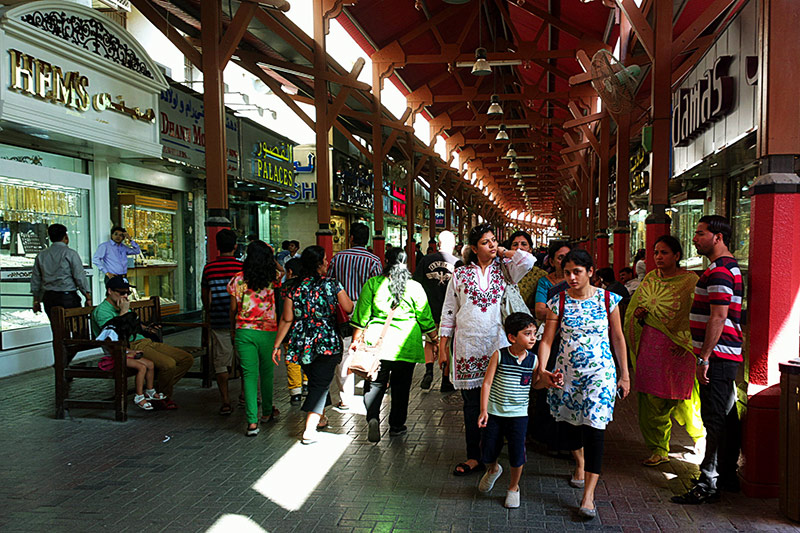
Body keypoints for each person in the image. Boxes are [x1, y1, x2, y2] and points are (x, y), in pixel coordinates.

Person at [537, 249, 630, 519]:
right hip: (567, 374)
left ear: (591, 271)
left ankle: (588, 494)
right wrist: (543, 369)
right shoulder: (560, 301)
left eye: (577, 271)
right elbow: (547, 340)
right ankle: (579, 462)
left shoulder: (608, 300)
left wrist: (625, 375)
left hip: (600, 375)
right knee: (570, 425)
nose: (571, 277)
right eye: (567, 272)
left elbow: (618, 339)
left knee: (595, 428)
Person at [439, 223, 536, 477]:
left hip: (496, 347)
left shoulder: (505, 271)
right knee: (472, 406)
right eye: (486, 242)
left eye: (494, 240)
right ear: (473, 248)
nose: (491, 245)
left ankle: (493, 455)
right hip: (467, 348)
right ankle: (475, 457)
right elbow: (449, 311)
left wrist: (503, 251)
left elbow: (528, 259)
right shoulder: (459, 276)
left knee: (497, 401)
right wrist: (442, 347)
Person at [672, 215, 743, 504]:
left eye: (700, 233)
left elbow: (719, 316)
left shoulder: (721, 272)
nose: (694, 238)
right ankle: (726, 476)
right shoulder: (723, 268)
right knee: (726, 417)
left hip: (718, 355)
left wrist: (704, 358)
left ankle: (708, 483)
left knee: (714, 419)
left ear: (718, 237)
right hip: (724, 354)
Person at [624, 235, 704, 468]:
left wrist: (689, 344)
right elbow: (636, 309)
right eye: (656, 253)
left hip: (680, 347)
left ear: (677, 256)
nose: (658, 257)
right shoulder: (650, 278)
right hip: (651, 344)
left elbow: (697, 315)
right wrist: (639, 313)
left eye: (664, 253)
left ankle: (700, 437)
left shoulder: (690, 281)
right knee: (651, 396)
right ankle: (658, 448)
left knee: (684, 395)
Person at [351, 248, 438, 442]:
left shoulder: (373, 284)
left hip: (377, 344)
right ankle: (397, 426)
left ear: (386, 261)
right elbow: (424, 317)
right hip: (406, 344)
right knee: (401, 387)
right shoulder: (414, 287)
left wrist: (355, 341)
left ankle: (373, 417)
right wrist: (435, 338)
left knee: (374, 383)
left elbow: (361, 317)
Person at [477, 312, 562, 508]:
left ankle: (513, 487)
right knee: (488, 450)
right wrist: (483, 410)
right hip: (495, 413)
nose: (533, 337)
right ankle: (492, 470)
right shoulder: (499, 356)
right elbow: (487, 383)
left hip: (518, 415)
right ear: (512, 337)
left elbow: (535, 385)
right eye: (527, 333)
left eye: (534, 333)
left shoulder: (533, 360)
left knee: (517, 453)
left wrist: (549, 383)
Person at [273, 246, 354, 444]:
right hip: (327, 340)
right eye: (325, 260)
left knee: (317, 379)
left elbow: (287, 318)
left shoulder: (294, 287)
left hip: (302, 342)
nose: (327, 263)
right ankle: (309, 429)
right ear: (318, 264)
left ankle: (321, 418)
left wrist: (276, 346)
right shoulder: (332, 284)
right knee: (320, 384)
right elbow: (348, 307)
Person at [91, 276, 193, 408]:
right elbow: (114, 335)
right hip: (131, 346)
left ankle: (156, 389)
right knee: (168, 365)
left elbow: (135, 326)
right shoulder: (102, 311)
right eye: (121, 293)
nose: (125, 296)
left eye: (127, 292)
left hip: (144, 341)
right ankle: (163, 396)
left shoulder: (122, 305)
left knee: (186, 359)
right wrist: (123, 312)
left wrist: (147, 327)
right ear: (109, 291)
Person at [227, 241, 280, 436]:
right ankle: (267, 412)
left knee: (249, 375)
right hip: (268, 332)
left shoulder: (238, 280)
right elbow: (282, 271)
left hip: (244, 331)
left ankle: (251, 422)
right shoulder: (274, 278)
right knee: (267, 373)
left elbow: (233, 309)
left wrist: (233, 329)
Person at [326, 222, 382, 408]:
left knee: (344, 352)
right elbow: (378, 289)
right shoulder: (373, 261)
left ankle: (345, 397)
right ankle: (370, 383)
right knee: (368, 348)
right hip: (366, 310)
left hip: (341, 310)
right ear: (367, 239)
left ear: (350, 238)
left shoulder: (337, 258)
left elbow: (330, 283)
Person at [200, 229, 242, 416]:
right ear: (235, 246)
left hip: (218, 319)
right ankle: (244, 395)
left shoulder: (209, 268)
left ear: (217, 246)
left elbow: (205, 295)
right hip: (241, 321)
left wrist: (209, 313)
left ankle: (225, 400)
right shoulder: (242, 267)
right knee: (245, 360)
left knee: (221, 362)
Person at [413, 230, 459, 391]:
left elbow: (416, 283)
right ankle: (445, 380)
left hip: (429, 308)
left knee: (430, 340)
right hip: (449, 311)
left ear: (438, 243)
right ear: (453, 244)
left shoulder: (426, 260)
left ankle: (429, 371)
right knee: (445, 343)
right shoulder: (458, 263)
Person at [31, 223, 92, 320]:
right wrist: (87, 296)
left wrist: (36, 300)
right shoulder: (70, 253)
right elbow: (79, 277)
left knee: (56, 328)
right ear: (65, 237)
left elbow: (36, 279)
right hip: (68, 297)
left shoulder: (41, 255)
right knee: (76, 327)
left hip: (49, 297)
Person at [281, 257, 306, 404]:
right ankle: (307, 382)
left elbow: (281, 312)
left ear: (289, 272)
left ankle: (295, 391)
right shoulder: (307, 285)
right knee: (306, 355)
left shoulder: (284, 288)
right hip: (306, 329)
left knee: (292, 359)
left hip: (289, 330)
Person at [508, 230, 547, 312]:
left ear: (530, 250)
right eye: (515, 245)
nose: (519, 247)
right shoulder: (503, 271)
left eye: (524, 244)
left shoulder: (540, 275)